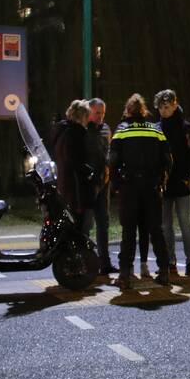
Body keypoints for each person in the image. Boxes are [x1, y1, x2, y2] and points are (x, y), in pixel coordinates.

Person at [108, 93, 173, 288]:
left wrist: (116, 183)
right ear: (144, 111)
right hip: (152, 187)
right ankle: (164, 272)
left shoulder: (122, 130)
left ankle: (125, 275)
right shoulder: (156, 130)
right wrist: (162, 179)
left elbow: (112, 161)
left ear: (128, 111)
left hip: (130, 188)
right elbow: (168, 160)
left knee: (129, 232)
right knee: (156, 230)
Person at [154, 89, 190, 278]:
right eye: (160, 108)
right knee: (165, 225)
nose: (163, 111)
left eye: (166, 107)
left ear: (174, 105)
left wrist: (186, 176)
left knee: (184, 222)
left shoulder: (186, 127)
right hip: (164, 183)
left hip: (181, 182)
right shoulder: (157, 128)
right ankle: (170, 261)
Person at [85, 98, 116, 274]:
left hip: (104, 182)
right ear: (89, 112)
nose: (101, 117)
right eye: (97, 113)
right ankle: (88, 261)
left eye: (103, 113)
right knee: (87, 224)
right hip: (89, 184)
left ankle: (104, 262)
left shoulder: (105, 129)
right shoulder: (83, 129)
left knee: (103, 223)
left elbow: (108, 152)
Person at [49, 99, 92, 217]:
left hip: (62, 183)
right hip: (75, 187)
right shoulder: (76, 133)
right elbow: (73, 159)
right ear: (83, 116)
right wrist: (88, 170)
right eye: (87, 116)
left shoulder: (61, 131)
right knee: (77, 223)